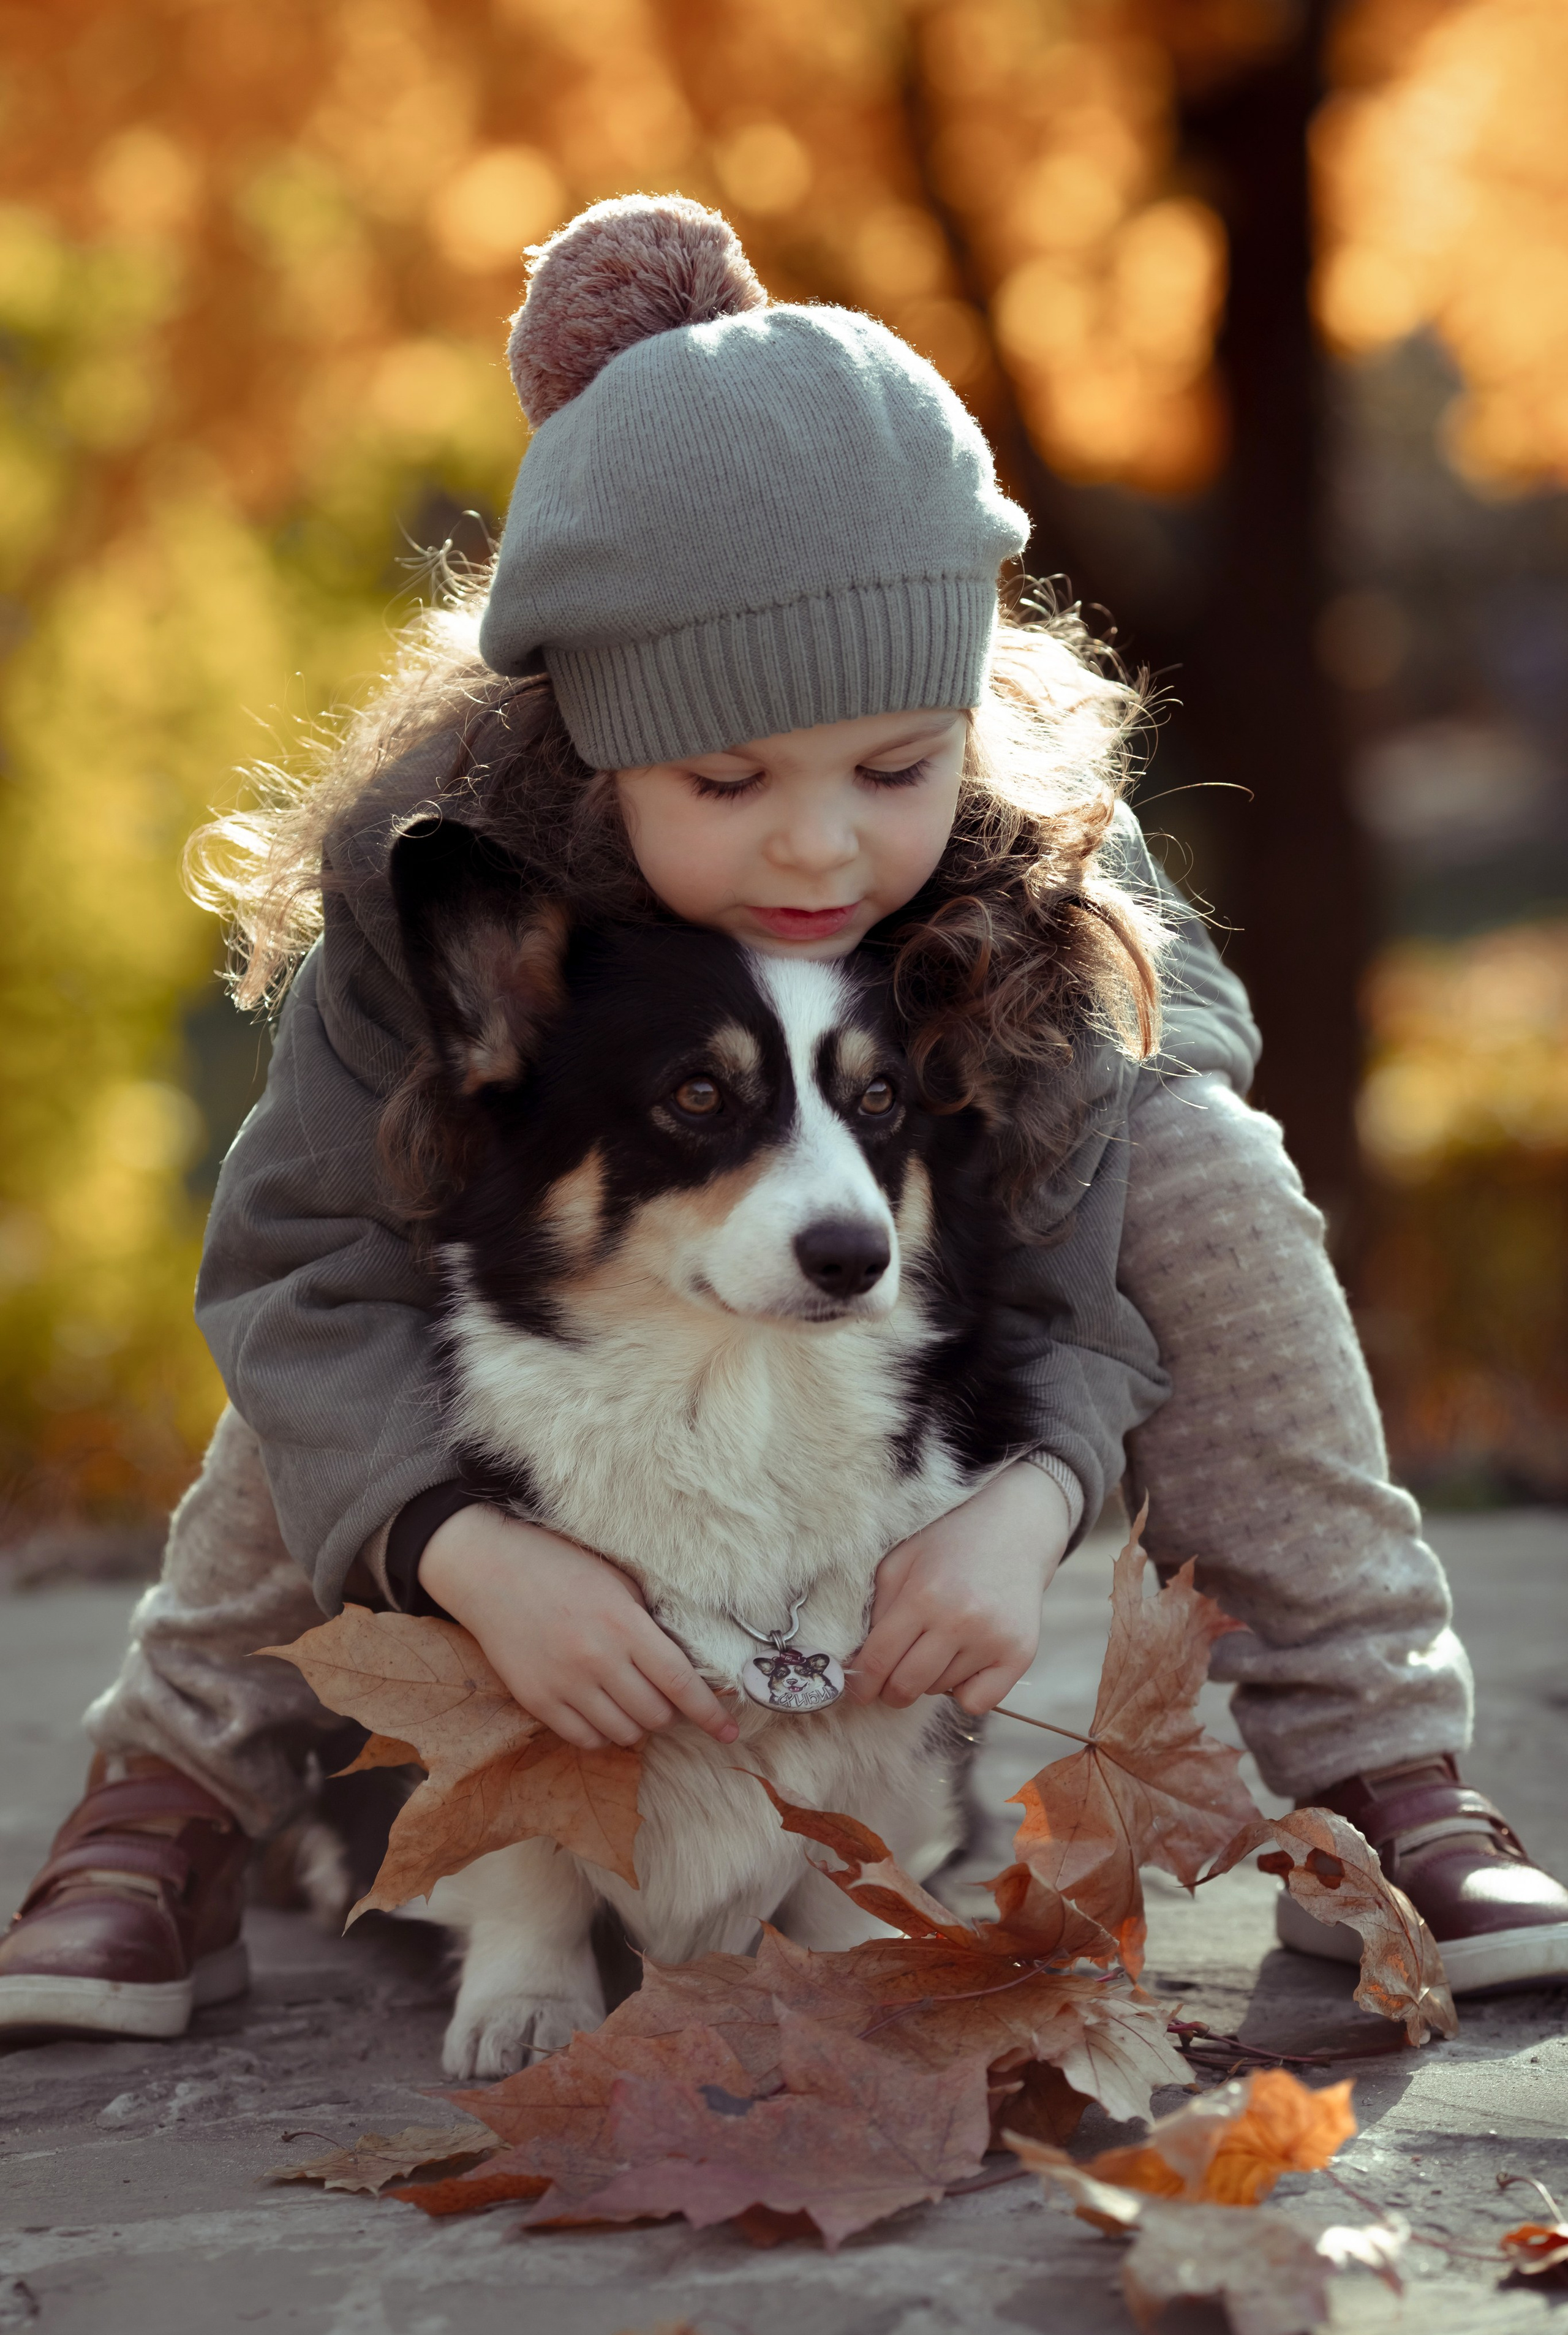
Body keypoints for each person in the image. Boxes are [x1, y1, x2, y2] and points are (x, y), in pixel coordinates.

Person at [2, 197, 1563, 2053]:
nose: (821, 844)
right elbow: (291, 1280)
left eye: (894, 767)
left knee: (1206, 1166)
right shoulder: (442, 881)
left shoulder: (1037, 880)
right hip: (570, 1359)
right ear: (600, 744)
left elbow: (1083, 1268)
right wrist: (463, 1549)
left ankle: (1383, 1776)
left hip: (910, 1397)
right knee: (359, 1300)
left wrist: (1029, 1506)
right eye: (729, 779)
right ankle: (170, 1796)